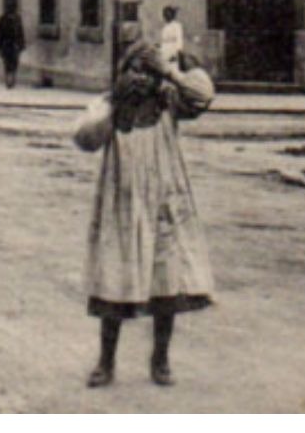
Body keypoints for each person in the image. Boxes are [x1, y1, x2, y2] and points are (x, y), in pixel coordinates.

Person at [77, 42, 215, 389]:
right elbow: (84, 137)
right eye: (133, 70)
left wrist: (170, 72)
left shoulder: (169, 103)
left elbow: (203, 93)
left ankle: (161, 359)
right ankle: (105, 362)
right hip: (121, 207)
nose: (140, 79)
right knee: (114, 276)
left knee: (165, 282)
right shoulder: (112, 107)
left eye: (146, 72)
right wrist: (115, 102)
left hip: (163, 204)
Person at [0, 5, 26, 89]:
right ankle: (9, 81)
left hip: (14, 45)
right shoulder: (3, 19)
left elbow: (20, 33)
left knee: (14, 63)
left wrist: (21, 44)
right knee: (8, 63)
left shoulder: (17, 19)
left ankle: (12, 80)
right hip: (7, 45)